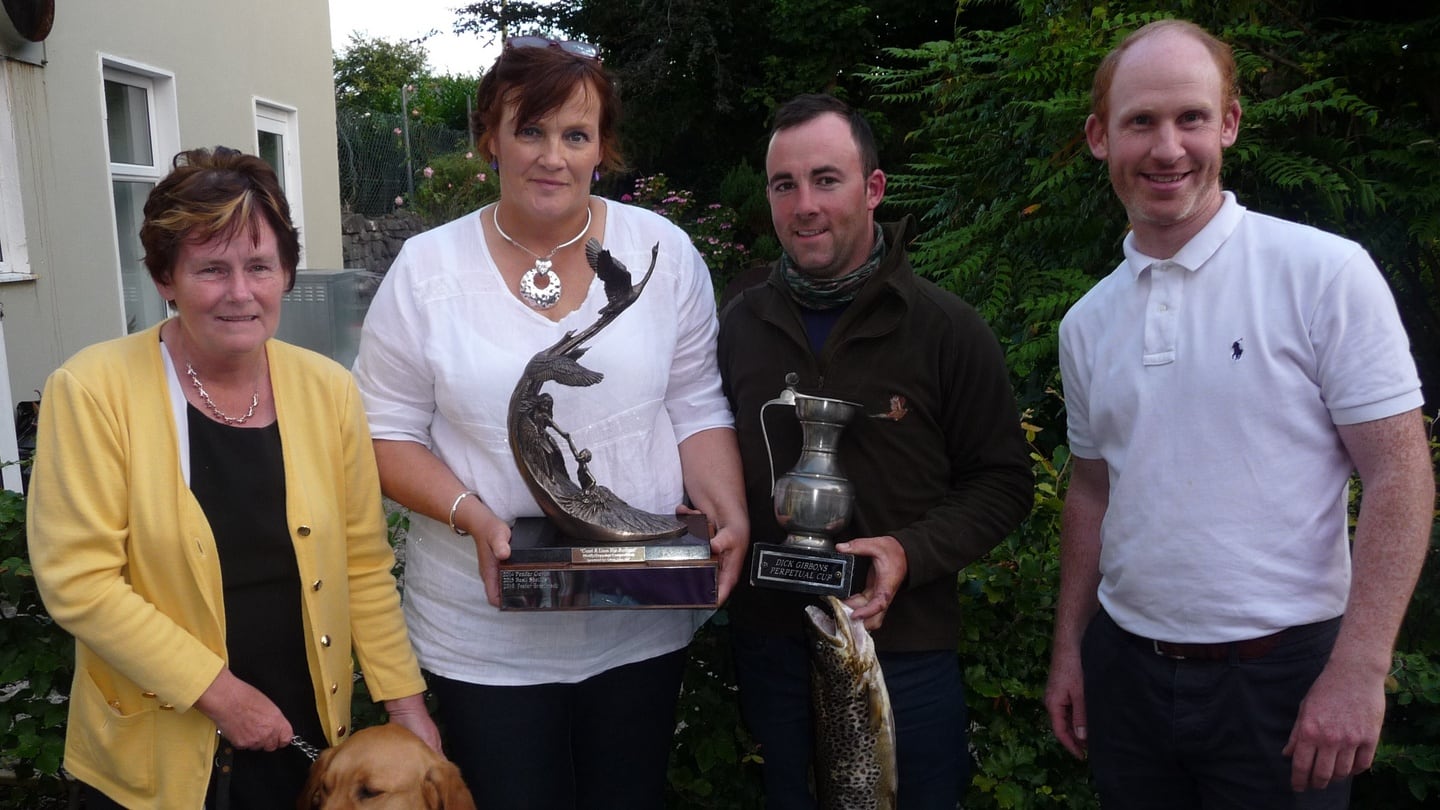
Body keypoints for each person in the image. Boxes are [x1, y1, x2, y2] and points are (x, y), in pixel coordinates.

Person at [1045, 19, 1434, 808]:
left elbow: (1399, 473)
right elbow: (1091, 491)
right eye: (1140, 122)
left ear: (1228, 123)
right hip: (1128, 678)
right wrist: (1070, 650)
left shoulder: (1322, 274)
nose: (1167, 149)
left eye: (1190, 117)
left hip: (1284, 687)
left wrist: (1359, 671)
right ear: (1099, 137)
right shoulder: (1086, 322)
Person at [350, 38, 748, 810]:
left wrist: (728, 513)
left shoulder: (662, 253)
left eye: (575, 135)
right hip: (483, 632)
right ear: (489, 138)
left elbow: (696, 401)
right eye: (529, 131)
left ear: (603, 148)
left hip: (640, 619)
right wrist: (473, 516)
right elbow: (382, 433)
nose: (551, 157)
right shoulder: (427, 272)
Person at [26, 147, 440, 809]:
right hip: (154, 756)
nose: (240, 292)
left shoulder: (329, 389)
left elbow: (362, 563)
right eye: (211, 269)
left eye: (259, 267)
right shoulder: (92, 389)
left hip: (302, 747)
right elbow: (78, 580)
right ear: (166, 278)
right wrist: (221, 694)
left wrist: (405, 707)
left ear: (286, 275)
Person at [717, 93, 1034, 809]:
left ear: (874, 188)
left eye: (826, 179)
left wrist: (908, 552)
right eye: (784, 184)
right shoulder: (739, 322)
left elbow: (1005, 482)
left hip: (905, 651)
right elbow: (711, 453)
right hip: (772, 647)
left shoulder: (946, 329)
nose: (805, 204)